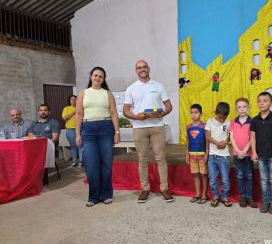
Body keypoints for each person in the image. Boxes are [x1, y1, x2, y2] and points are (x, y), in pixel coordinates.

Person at [123, 60, 174, 203]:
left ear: (149, 69)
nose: (142, 69)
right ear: (136, 71)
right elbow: (126, 111)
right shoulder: (131, 88)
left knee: (160, 158)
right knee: (142, 158)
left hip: (157, 126)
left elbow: (169, 106)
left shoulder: (158, 86)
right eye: (139, 68)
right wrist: (136, 116)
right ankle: (145, 189)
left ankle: (164, 188)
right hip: (139, 128)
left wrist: (161, 114)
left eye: (144, 67)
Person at [75, 66, 120, 207]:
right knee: (91, 164)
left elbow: (113, 113)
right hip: (88, 130)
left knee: (106, 163)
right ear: (91, 76)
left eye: (101, 76)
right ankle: (93, 196)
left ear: (103, 79)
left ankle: (106, 194)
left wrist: (117, 132)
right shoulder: (83, 93)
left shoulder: (108, 94)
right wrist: (77, 134)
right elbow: (79, 114)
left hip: (106, 129)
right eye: (95, 75)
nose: (98, 78)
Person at [250, 92, 272, 214]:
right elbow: (252, 137)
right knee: (264, 180)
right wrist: (253, 152)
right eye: (259, 101)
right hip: (261, 155)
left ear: (271, 103)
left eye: (265, 100)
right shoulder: (255, 120)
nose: (262, 103)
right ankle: (266, 202)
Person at [230, 98, 257, 208]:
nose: (242, 109)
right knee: (240, 175)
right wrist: (237, 150)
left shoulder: (252, 121)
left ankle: (249, 196)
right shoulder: (233, 121)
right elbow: (231, 137)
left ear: (248, 107)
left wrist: (245, 151)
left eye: (244, 107)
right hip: (237, 154)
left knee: (249, 175)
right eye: (239, 107)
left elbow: (252, 138)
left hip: (248, 154)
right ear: (236, 109)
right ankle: (242, 196)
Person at [205, 102, 232, 207]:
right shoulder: (210, 121)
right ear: (215, 113)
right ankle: (215, 196)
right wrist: (217, 143)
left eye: (224, 118)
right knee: (212, 178)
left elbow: (229, 136)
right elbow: (207, 136)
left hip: (224, 156)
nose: (222, 120)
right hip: (212, 155)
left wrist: (225, 142)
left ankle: (225, 197)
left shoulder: (228, 123)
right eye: (220, 117)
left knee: (225, 178)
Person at [186, 104, 208, 204]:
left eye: (196, 112)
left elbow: (207, 142)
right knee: (195, 175)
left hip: (202, 155)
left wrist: (207, 153)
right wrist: (187, 154)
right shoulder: (188, 127)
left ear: (201, 114)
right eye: (191, 113)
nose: (193, 115)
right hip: (192, 155)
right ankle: (197, 194)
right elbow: (188, 141)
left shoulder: (204, 127)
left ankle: (204, 194)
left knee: (203, 175)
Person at [62, 95, 83, 167]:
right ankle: (74, 161)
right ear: (69, 101)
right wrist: (74, 111)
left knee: (80, 145)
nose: (74, 101)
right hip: (70, 130)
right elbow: (65, 118)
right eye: (72, 99)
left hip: (80, 129)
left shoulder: (81, 108)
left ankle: (81, 161)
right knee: (73, 146)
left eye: (75, 99)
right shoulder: (66, 108)